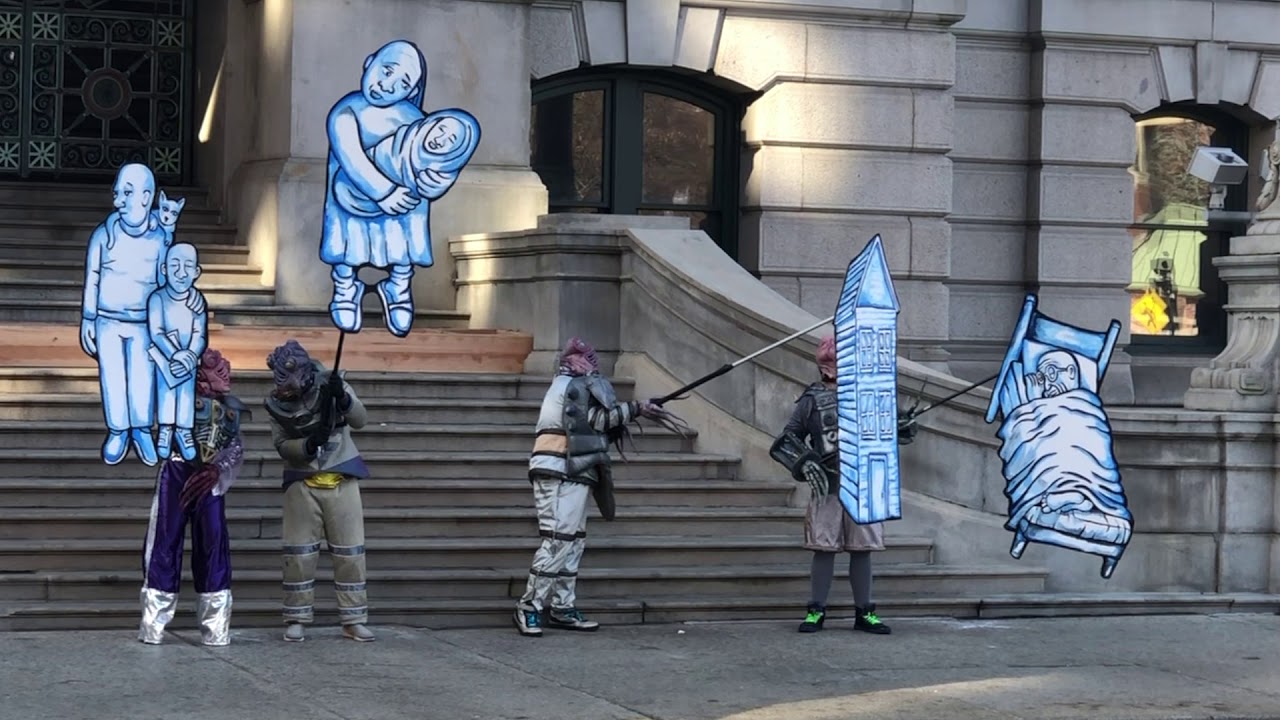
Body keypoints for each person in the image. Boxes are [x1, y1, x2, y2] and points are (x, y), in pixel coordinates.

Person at [514, 337, 688, 637]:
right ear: (573, 362)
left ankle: (562, 607)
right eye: (585, 358)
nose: (592, 363)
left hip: (575, 468)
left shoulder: (573, 386)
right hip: (558, 466)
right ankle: (530, 606)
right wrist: (636, 408)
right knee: (559, 539)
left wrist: (634, 409)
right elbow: (593, 421)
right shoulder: (572, 386)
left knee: (573, 541)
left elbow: (594, 420)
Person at [320, 39, 479, 337]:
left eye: (403, 82)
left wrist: (437, 182)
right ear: (369, 62)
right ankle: (344, 284)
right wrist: (383, 192)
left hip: (400, 209)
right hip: (352, 197)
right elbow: (351, 158)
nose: (388, 84)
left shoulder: (418, 120)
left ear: (412, 91)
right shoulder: (346, 113)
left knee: (409, 223)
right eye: (387, 71)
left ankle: (398, 284)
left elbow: (441, 159)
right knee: (347, 242)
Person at [773, 336, 899, 635]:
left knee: (862, 548)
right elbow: (787, 438)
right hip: (827, 484)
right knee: (824, 547)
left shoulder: (870, 393)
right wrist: (805, 461)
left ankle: (864, 612)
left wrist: (899, 429)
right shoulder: (812, 399)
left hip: (863, 483)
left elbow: (886, 432)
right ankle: (816, 609)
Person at [264, 340, 374, 643]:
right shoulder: (276, 403)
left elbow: (361, 420)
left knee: (351, 554)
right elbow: (281, 445)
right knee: (298, 556)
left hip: (342, 477)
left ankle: (354, 618)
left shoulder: (332, 383)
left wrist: (343, 398)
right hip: (302, 483)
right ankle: (296, 617)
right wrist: (307, 446)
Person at [138, 348, 246, 646]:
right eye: (216, 369)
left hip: (210, 480)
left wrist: (217, 470)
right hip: (176, 471)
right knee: (164, 542)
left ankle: (216, 628)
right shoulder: (174, 399)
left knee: (213, 544)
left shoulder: (229, 409)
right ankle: (153, 626)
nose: (224, 374)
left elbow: (234, 446)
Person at [80, 163, 171, 465]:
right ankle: (118, 430)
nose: (119, 200)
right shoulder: (103, 235)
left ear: (147, 197)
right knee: (113, 378)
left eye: (127, 193)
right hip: (107, 321)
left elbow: (164, 282)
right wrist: (88, 317)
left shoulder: (160, 239)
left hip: (144, 324)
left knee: (143, 377)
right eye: (118, 193)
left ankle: (142, 429)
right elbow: (92, 277)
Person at [147, 243, 207, 461]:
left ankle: (183, 429)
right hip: (165, 357)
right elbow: (156, 331)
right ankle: (165, 428)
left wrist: (191, 354)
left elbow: (199, 332)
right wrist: (175, 354)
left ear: (196, 272)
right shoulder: (157, 299)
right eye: (175, 266)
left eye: (188, 266)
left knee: (186, 394)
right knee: (166, 392)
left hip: (189, 360)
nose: (181, 273)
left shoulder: (196, 301)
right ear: (164, 269)